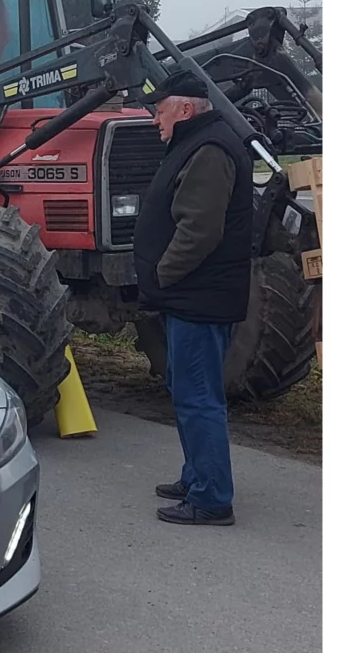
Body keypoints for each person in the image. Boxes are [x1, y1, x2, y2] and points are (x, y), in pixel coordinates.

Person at [133, 71, 254, 526]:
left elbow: (199, 230)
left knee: (199, 397)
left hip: (198, 298)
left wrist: (162, 277)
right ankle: (196, 476)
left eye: (159, 110)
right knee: (186, 391)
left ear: (185, 108)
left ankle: (211, 498)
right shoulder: (198, 142)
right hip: (191, 297)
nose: (153, 120)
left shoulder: (209, 149)